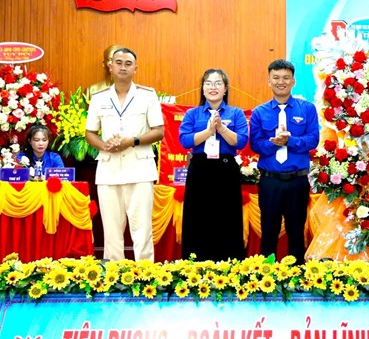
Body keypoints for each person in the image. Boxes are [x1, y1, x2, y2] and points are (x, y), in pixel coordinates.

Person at [85, 47, 164, 261]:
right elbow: (90, 133)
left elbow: (159, 131)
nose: (123, 67)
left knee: (142, 229)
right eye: (118, 63)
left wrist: (133, 141)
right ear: (110, 67)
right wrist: (104, 146)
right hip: (109, 169)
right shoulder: (99, 97)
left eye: (128, 64)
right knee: (111, 231)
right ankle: (114, 275)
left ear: (135, 68)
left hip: (140, 170)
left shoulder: (147, 95)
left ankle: (145, 273)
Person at [250, 59, 319, 264]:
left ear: (293, 81)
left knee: (296, 231)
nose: (281, 82)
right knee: (268, 231)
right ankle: (267, 273)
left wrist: (291, 141)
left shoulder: (307, 109)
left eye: (286, 78)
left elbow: (313, 139)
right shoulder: (259, 112)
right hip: (270, 181)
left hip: (297, 181)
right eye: (276, 78)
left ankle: (296, 273)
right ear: (269, 81)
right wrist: (274, 143)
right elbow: (255, 144)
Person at [179, 69, 249, 261]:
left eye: (218, 83)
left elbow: (241, 141)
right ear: (202, 88)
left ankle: (228, 266)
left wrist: (221, 128)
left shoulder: (236, 113)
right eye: (208, 83)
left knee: (228, 219)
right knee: (197, 218)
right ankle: (195, 266)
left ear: (225, 89)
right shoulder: (192, 114)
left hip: (226, 170)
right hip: (200, 170)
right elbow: (185, 141)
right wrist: (209, 131)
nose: (213, 87)